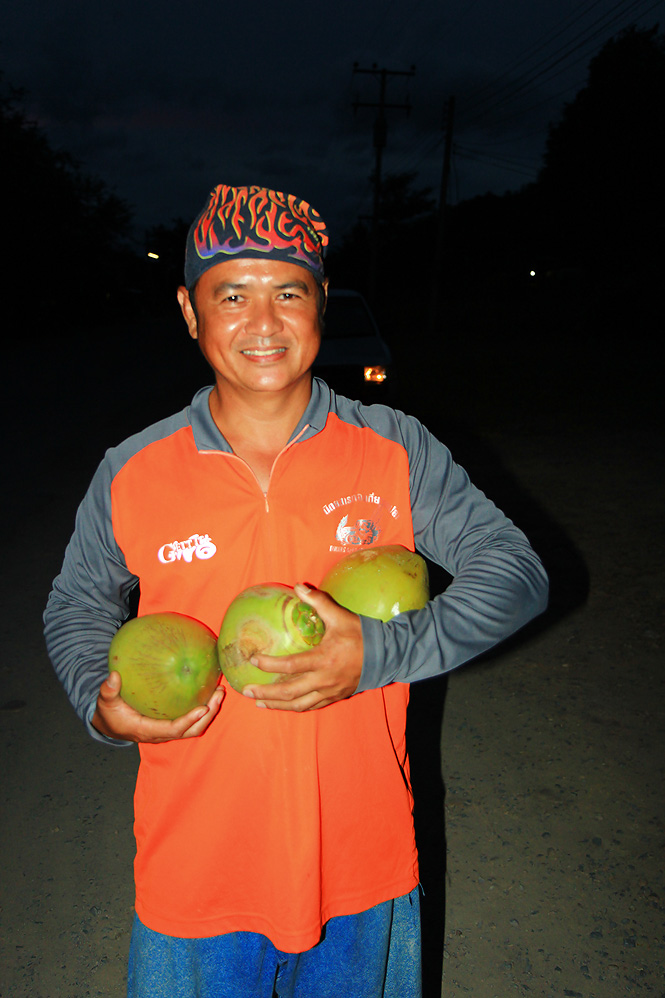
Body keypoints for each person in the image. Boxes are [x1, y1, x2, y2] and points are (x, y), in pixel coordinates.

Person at [44, 183, 549, 998]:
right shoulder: (133, 470)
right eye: (231, 295)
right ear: (189, 310)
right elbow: (74, 605)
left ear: (321, 303)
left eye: (289, 292)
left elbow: (516, 574)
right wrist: (98, 704)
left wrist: (379, 652)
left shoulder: (394, 448)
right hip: (193, 876)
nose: (263, 322)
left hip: (362, 868)